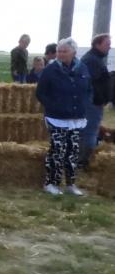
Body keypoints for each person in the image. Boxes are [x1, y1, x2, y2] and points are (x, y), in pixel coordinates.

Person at [36, 38, 92, 195]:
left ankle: (71, 184)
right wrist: (53, 106)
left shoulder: (83, 68)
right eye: (59, 51)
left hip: (76, 118)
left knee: (73, 151)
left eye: (64, 51)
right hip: (57, 119)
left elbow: (89, 89)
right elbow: (40, 93)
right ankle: (51, 183)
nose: (60, 54)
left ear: (73, 52)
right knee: (57, 151)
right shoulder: (50, 70)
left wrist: (84, 103)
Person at [77, 33, 111, 168]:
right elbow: (91, 84)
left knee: (89, 130)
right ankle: (83, 161)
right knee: (90, 131)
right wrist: (100, 98)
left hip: (93, 101)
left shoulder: (94, 58)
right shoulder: (92, 60)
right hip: (92, 102)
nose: (109, 47)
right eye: (107, 44)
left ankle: (81, 159)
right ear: (97, 44)